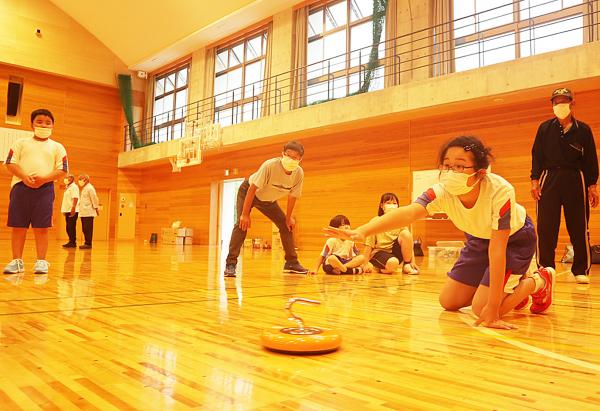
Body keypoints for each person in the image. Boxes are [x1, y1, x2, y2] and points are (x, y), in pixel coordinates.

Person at [325, 136, 555, 330]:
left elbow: (497, 250)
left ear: (480, 173)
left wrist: (493, 308)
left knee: (481, 309)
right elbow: (408, 213)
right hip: (477, 239)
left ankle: (538, 281)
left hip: (513, 240)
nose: (451, 171)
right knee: (448, 301)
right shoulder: (442, 191)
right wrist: (362, 231)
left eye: (460, 165)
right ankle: (508, 288)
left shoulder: (501, 191)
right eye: (447, 165)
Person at [531, 87, 598, 285]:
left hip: (575, 179)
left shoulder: (583, 130)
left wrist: (592, 186)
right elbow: (537, 156)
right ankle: (545, 268)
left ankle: (580, 269)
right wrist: (535, 180)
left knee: (578, 225)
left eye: (564, 101)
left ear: (572, 103)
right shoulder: (544, 128)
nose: (560, 105)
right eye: (556, 102)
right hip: (549, 177)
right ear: (552, 104)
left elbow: (591, 160)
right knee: (546, 226)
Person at [224, 141, 309, 277]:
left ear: (300, 159)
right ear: (282, 154)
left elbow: (293, 196)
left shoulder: (298, 173)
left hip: (268, 201)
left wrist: (288, 218)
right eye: (288, 155)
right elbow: (252, 189)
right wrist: (245, 215)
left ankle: (291, 263)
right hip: (249, 192)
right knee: (242, 225)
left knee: (286, 226)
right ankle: (230, 264)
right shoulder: (270, 165)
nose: (290, 160)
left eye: (295, 158)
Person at [4, 108, 68, 275]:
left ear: (53, 125)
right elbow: (10, 163)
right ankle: (17, 261)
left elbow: (63, 170)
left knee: (42, 227)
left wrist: (44, 179)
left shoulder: (58, 147)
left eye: (47, 122)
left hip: (45, 190)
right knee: (18, 226)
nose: (43, 125)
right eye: (39, 121)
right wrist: (25, 177)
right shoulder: (20, 143)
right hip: (20, 188)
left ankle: (41, 261)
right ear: (32, 123)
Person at [363, 193, 419, 275]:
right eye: (388, 203)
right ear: (382, 206)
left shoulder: (401, 222)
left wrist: (412, 262)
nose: (391, 205)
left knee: (406, 234)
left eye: (394, 203)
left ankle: (406, 266)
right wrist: (365, 264)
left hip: (394, 252)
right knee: (393, 262)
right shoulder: (375, 221)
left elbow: (409, 244)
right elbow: (369, 245)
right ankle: (382, 269)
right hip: (379, 253)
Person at [77, 174, 99, 249]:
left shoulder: (90, 188)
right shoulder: (85, 188)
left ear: (85, 180)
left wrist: (96, 208)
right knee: (84, 229)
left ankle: (88, 243)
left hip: (88, 212)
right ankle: (86, 242)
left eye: (80, 179)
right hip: (84, 212)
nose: (79, 181)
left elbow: (94, 198)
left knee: (88, 228)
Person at [61, 174, 79, 248]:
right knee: (68, 227)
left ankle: (73, 242)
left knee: (70, 226)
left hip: (72, 210)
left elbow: (75, 198)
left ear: (71, 179)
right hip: (67, 210)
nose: (65, 179)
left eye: (66, 178)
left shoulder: (74, 187)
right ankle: (71, 241)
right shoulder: (68, 187)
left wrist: (73, 208)